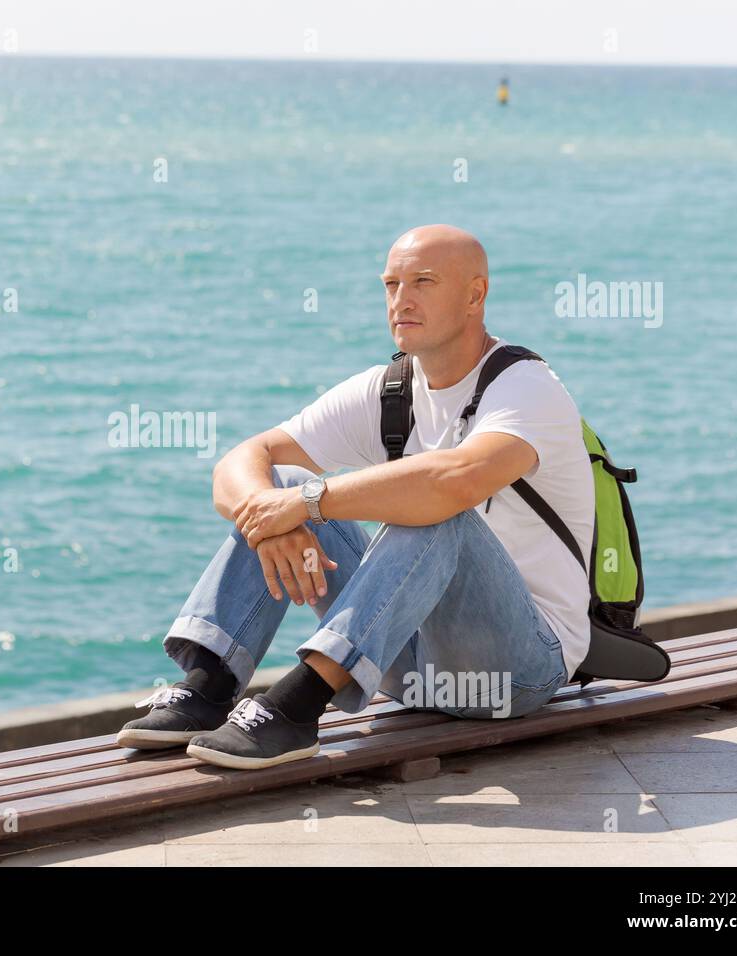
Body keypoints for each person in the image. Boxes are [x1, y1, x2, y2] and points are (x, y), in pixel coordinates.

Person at [117, 224, 595, 770]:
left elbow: (455, 482)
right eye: (391, 284)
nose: (401, 300)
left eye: (424, 282)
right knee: (287, 482)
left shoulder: (526, 387)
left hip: (517, 670)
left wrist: (306, 505)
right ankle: (210, 684)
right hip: (404, 664)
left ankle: (298, 707)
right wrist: (279, 517)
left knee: (433, 509)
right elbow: (243, 459)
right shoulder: (389, 389)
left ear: (475, 295)